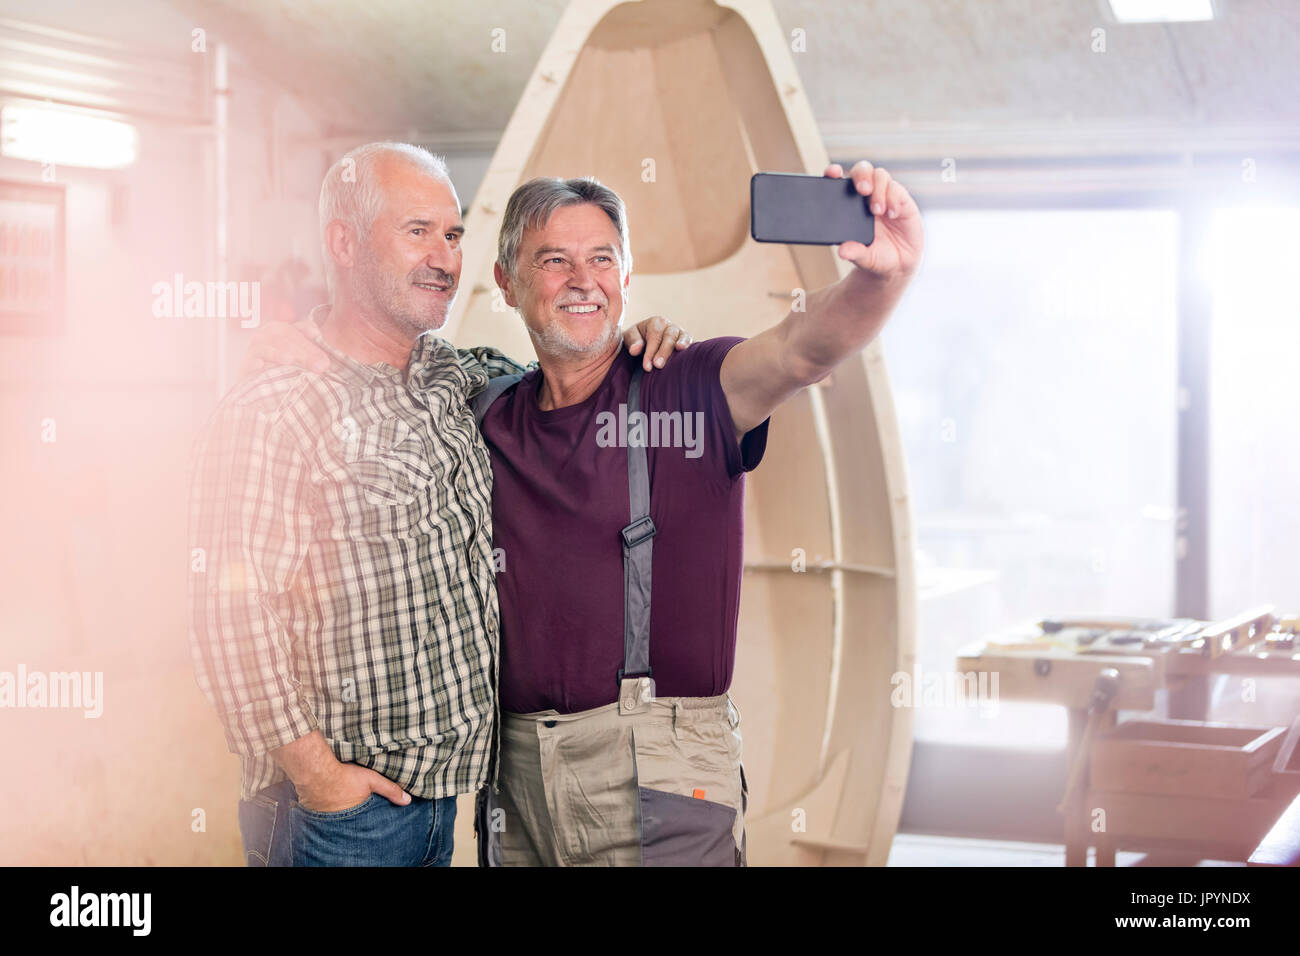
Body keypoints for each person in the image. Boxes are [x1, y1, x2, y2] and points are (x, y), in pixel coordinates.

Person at [188, 141, 687, 867]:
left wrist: (631, 340)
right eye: (416, 231)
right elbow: (227, 612)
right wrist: (319, 777)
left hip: (443, 803)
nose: (444, 258)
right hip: (336, 816)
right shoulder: (276, 405)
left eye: (452, 235)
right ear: (343, 243)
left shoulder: (456, 382)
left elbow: (568, 376)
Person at [467, 164, 922, 865]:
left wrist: (880, 279)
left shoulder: (685, 386)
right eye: (553, 260)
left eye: (602, 259)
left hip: (658, 770)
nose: (582, 280)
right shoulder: (486, 407)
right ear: (507, 280)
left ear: (625, 277)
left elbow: (801, 352)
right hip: (517, 776)